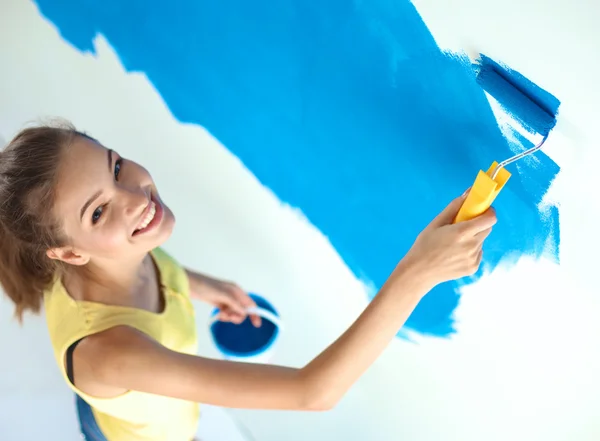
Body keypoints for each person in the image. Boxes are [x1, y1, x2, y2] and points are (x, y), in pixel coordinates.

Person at [0, 121, 497, 441]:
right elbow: (313, 393)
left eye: (115, 165)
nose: (135, 195)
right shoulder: (112, 354)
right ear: (68, 252)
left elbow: (157, 271)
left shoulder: (114, 250)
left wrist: (207, 287)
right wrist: (417, 272)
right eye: (100, 209)